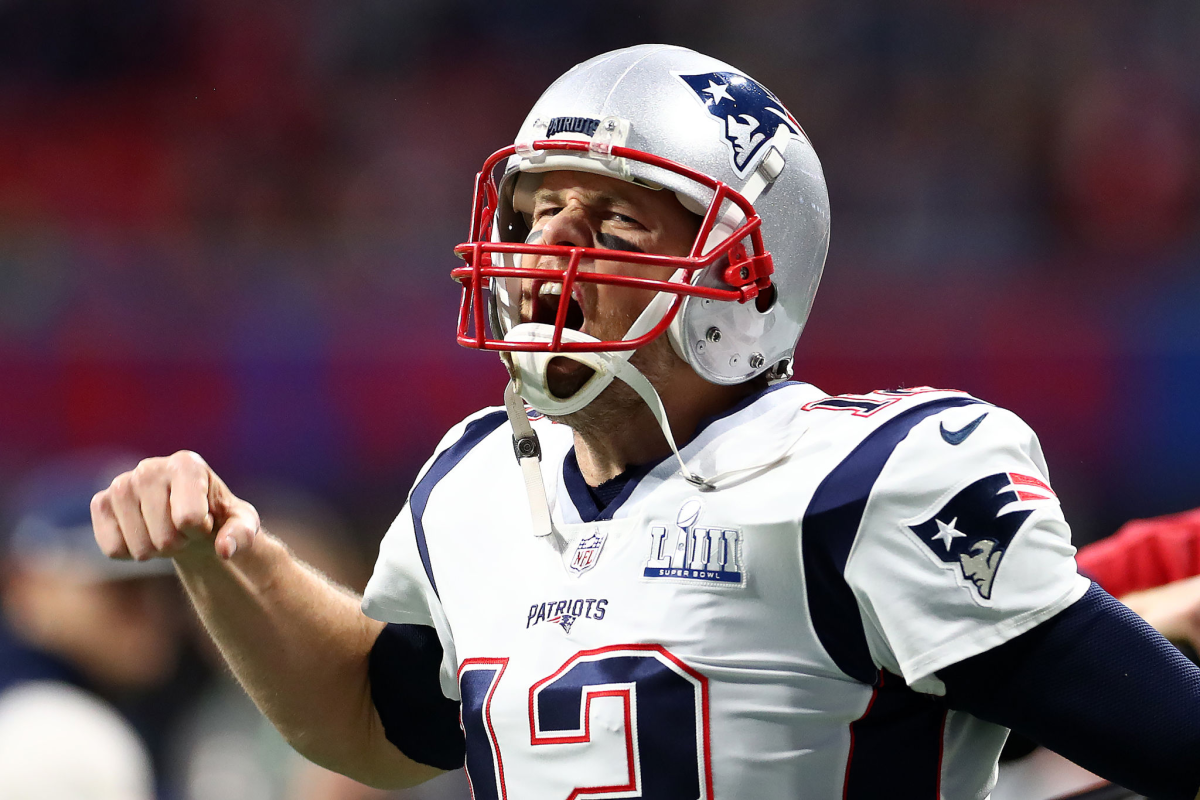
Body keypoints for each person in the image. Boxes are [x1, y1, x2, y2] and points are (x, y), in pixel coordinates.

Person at [90, 45, 1200, 799]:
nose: (546, 253)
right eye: (533, 213)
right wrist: (227, 555)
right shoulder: (477, 482)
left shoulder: (867, 479)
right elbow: (373, 724)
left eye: (612, 218)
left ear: (744, 278)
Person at [1, 451, 184, 799]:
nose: (156, 613)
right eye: (123, 589)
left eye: (170, 588)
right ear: (27, 587)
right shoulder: (48, 735)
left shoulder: (106, 715)